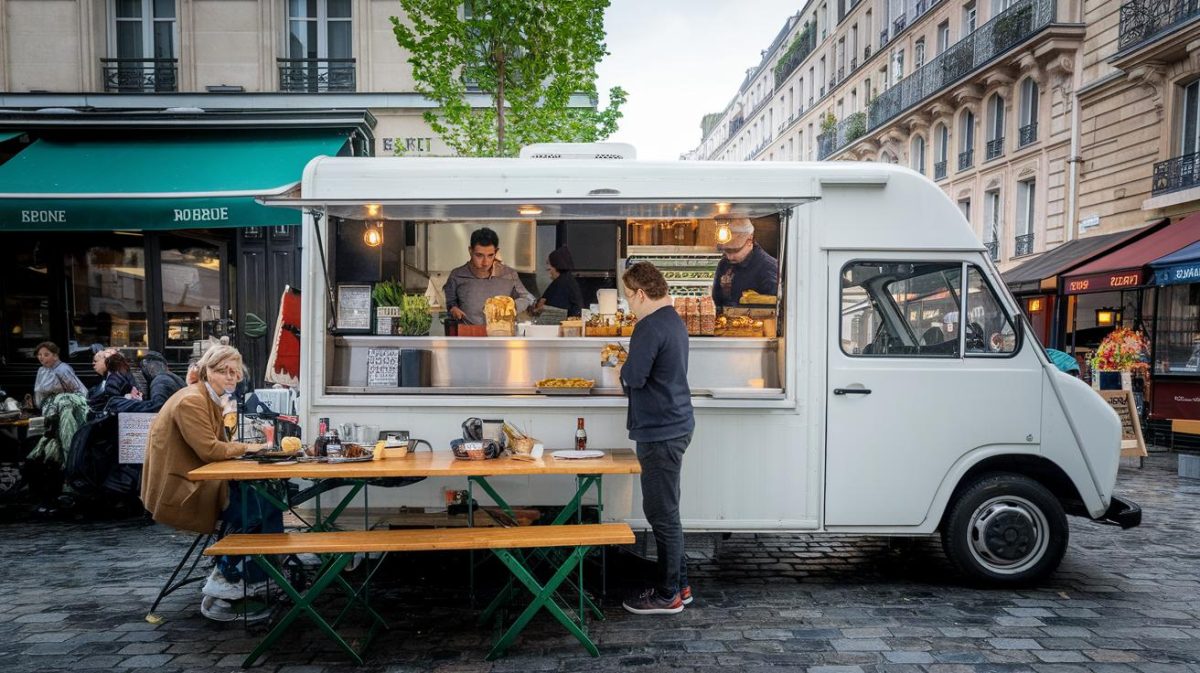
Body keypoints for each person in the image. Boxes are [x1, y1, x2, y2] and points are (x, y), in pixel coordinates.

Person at [139, 345, 274, 622]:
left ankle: (260, 576)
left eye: (235, 372)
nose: (231, 377)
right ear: (206, 371)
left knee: (267, 500)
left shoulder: (208, 398)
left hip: (199, 478)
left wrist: (245, 449)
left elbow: (216, 448)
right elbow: (210, 450)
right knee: (251, 506)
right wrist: (252, 448)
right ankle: (225, 582)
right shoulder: (192, 400)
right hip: (183, 489)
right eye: (224, 371)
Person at [618, 262, 695, 615]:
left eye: (628, 298)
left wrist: (622, 364)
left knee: (661, 514)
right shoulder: (674, 320)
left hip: (660, 430)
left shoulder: (648, 326)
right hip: (676, 423)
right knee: (669, 511)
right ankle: (680, 584)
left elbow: (634, 377)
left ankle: (667, 596)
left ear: (641, 293)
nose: (628, 305)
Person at [442, 227, 535, 325]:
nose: (485, 262)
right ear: (470, 251)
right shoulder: (456, 275)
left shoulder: (509, 274)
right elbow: (450, 303)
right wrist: (453, 309)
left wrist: (511, 307)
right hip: (469, 334)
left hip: (501, 334)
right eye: (479, 255)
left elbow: (527, 298)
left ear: (496, 251)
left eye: (490, 255)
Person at [711, 218, 779, 308]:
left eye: (735, 250)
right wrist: (725, 291)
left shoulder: (769, 268)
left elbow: (775, 310)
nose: (729, 257)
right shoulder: (724, 264)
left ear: (750, 240)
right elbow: (716, 303)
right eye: (725, 251)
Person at [531, 246, 584, 318]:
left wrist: (539, 308)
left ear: (557, 265)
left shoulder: (563, 283)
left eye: (549, 264)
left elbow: (554, 312)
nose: (547, 268)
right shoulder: (565, 280)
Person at [33, 341, 87, 408]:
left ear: (55, 356)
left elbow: (81, 390)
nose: (41, 358)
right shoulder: (42, 370)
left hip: (62, 410)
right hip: (46, 410)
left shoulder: (63, 369)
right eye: (39, 355)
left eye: (46, 355)